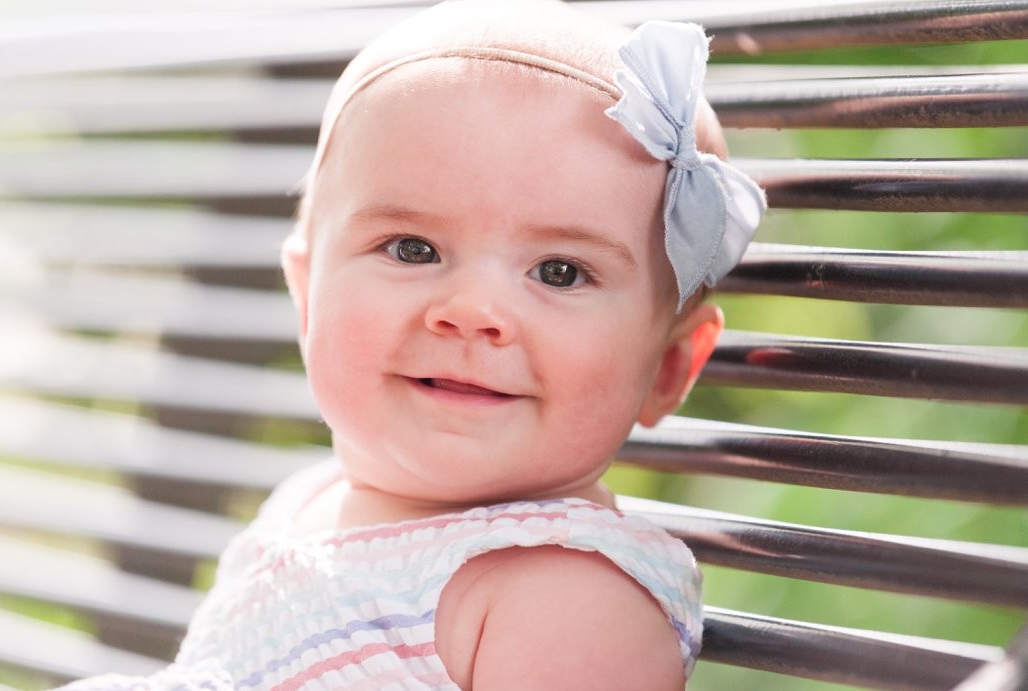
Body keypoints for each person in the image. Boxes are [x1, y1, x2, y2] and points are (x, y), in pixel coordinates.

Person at [59, 0, 764, 689]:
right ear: (306, 294)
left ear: (668, 368)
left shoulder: (567, 601)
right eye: (412, 248)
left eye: (559, 272)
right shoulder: (309, 500)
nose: (472, 312)